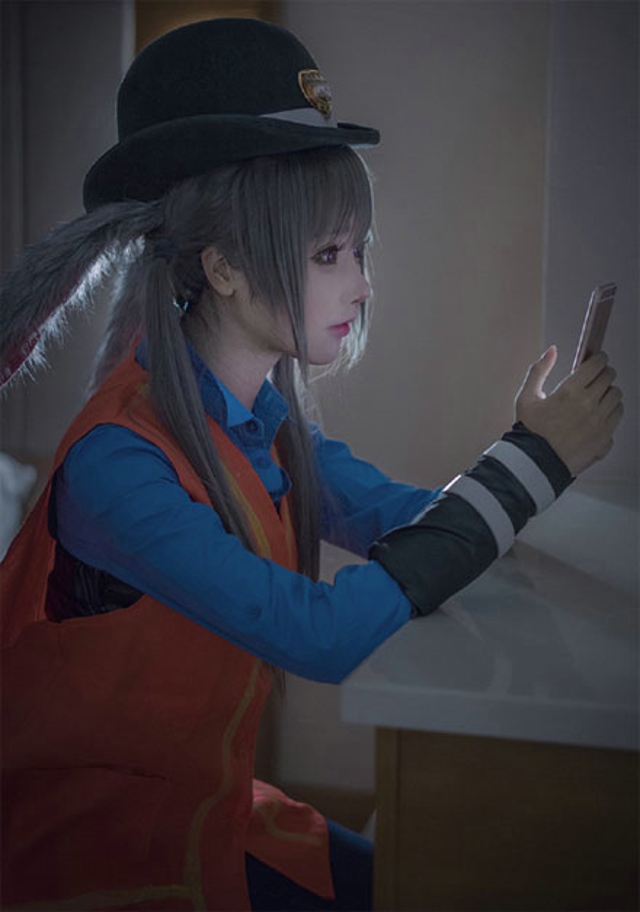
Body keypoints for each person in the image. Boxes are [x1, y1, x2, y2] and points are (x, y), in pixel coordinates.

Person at [0, 17, 623, 912]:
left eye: (356, 251)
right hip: (97, 855)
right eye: (329, 254)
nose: (361, 285)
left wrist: (531, 462)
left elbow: (408, 520)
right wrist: (534, 461)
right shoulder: (117, 465)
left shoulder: (263, 427)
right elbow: (319, 635)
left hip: (211, 816)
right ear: (223, 267)